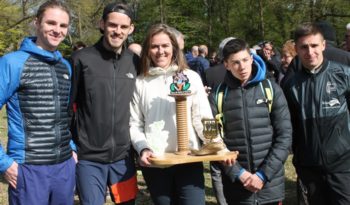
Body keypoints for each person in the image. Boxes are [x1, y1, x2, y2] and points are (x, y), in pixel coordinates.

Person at [129, 23, 221, 205]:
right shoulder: (140, 82)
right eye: (154, 46)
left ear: (174, 48)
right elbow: (135, 123)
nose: (160, 51)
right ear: (148, 50)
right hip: (156, 162)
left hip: (188, 160)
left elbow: (203, 116)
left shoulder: (191, 77)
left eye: (165, 46)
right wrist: (143, 148)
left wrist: (215, 143)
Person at [0, 1, 76, 204]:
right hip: (29, 168)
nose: (57, 30)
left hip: (64, 167)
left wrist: (72, 149)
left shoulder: (65, 66)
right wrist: (4, 163)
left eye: (63, 25)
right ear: (36, 23)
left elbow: (61, 115)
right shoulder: (12, 62)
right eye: (51, 23)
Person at [70, 2, 138, 205]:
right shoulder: (81, 59)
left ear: (131, 29)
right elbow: (66, 108)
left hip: (123, 159)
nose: (118, 31)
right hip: (89, 158)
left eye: (123, 27)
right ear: (102, 24)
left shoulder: (134, 62)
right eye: (112, 25)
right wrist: (72, 146)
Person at [209, 38, 292, 205]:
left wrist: (262, 175)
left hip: (269, 184)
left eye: (246, 60)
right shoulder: (216, 96)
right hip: (237, 187)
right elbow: (213, 140)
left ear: (252, 59)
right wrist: (240, 174)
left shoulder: (270, 89)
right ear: (226, 65)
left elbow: (285, 135)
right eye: (236, 63)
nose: (242, 67)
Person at [283, 22, 350, 205]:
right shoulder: (290, 85)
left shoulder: (344, 75)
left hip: (343, 166)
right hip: (309, 168)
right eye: (304, 47)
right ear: (296, 49)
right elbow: (289, 126)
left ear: (323, 45)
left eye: (314, 45)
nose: (310, 52)